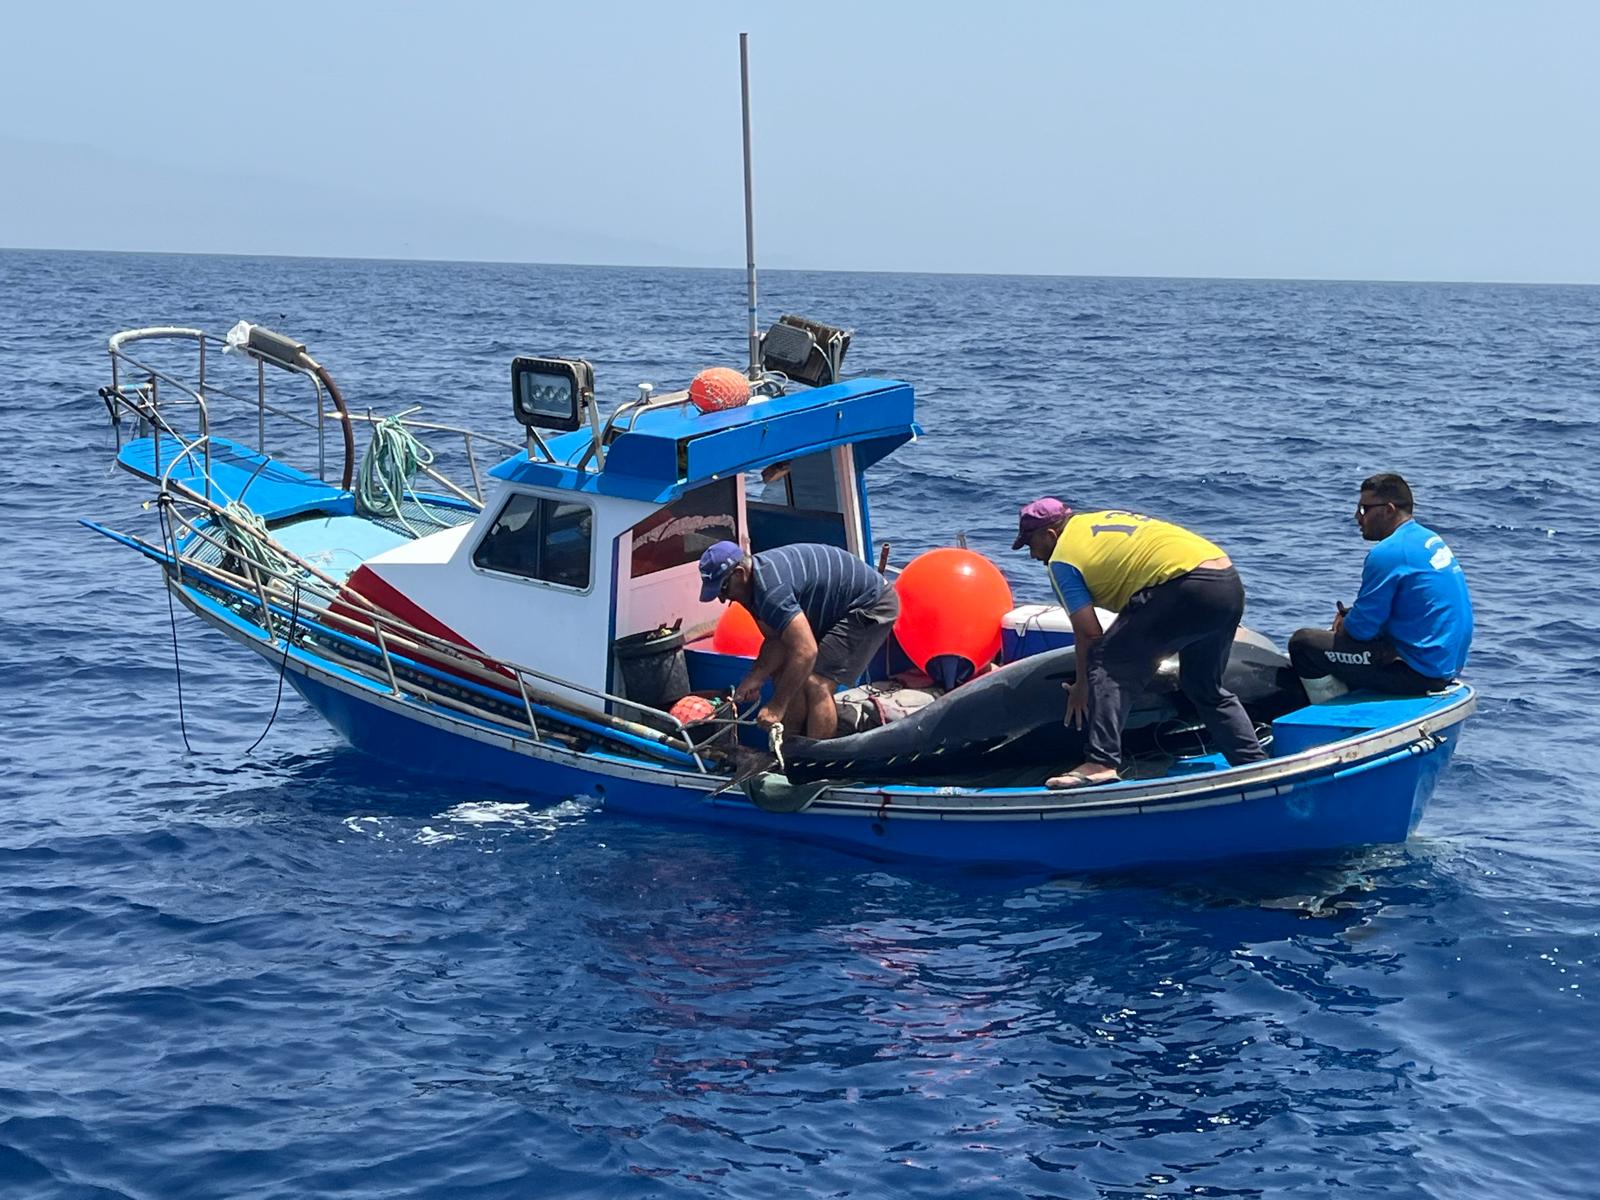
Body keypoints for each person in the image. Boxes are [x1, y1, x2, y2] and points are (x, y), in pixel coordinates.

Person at [1012, 498, 1267, 788]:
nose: (1033, 555)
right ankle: (1254, 765)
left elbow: (1089, 634)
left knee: (1108, 662)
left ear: (1050, 535)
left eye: (1031, 544)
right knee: (1204, 686)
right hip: (1226, 583)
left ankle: (1100, 762)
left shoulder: (1062, 561)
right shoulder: (1094, 522)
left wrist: (1083, 686)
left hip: (1184, 587)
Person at [1288, 474, 1473, 703]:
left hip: (1417, 674)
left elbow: (1361, 630)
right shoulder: (1427, 539)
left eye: (1364, 509)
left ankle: (1331, 713)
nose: (1357, 517)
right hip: (1444, 666)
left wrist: (1344, 624)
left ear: (1388, 510)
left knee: (1303, 644)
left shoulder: (1387, 553)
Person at [698, 540, 899, 740]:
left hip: (871, 603)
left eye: (723, 589)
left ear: (740, 574)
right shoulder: (750, 588)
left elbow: (806, 651)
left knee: (817, 682)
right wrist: (756, 676)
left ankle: (817, 763)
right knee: (785, 674)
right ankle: (790, 750)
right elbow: (776, 639)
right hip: (836, 606)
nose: (723, 599)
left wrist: (777, 707)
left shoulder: (771, 590)